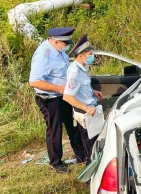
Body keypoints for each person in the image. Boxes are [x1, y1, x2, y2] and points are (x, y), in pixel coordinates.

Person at [29, 27, 87, 173]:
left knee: (73, 126)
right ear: (55, 41)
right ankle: (55, 162)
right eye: (64, 43)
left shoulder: (59, 50)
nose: (67, 46)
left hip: (65, 96)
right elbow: (34, 82)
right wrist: (58, 88)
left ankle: (82, 156)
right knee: (54, 131)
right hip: (50, 99)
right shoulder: (44, 56)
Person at [63, 34, 103, 164]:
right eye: (90, 54)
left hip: (92, 109)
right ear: (80, 55)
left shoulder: (82, 68)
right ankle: (90, 176)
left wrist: (93, 92)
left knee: (97, 144)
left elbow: (82, 88)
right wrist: (86, 108)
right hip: (85, 113)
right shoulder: (75, 72)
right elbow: (67, 96)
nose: (92, 56)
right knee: (90, 147)